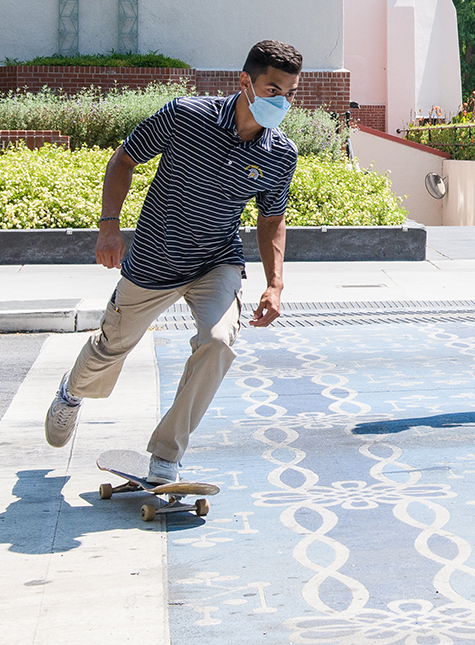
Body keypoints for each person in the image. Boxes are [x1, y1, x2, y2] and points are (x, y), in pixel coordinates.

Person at [44, 39, 303, 482]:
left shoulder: (280, 153)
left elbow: (271, 218)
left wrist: (274, 283)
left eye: (290, 93)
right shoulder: (186, 116)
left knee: (220, 342)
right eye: (273, 89)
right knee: (112, 346)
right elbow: (123, 159)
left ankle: (166, 454)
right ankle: (72, 392)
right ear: (246, 83)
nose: (283, 101)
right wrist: (109, 225)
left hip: (216, 262)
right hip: (155, 258)